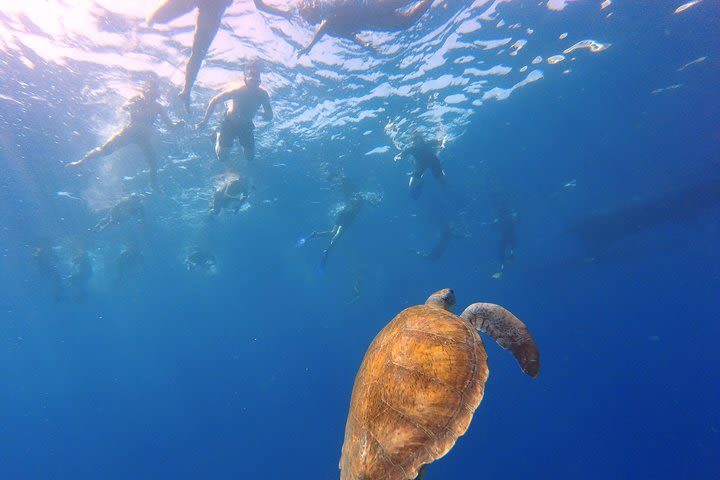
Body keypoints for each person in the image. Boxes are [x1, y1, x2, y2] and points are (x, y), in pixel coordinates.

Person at [67, 81, 183, 192]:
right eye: (150, 92)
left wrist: (177, 124)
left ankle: (153, 185)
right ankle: (81, 162)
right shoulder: (136, 99)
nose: (152, 95)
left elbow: (169, 124)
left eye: (155, 94)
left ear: (157, 94)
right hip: (128, 132)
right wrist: (131, 105)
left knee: (153, 162)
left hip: (144, 138)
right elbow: (124, 107)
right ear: (145, 91)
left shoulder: (158, 107)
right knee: (104, 150)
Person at [254, 0, 433, 56]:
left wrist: (309, 46)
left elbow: (321, 29)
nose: (307, 22)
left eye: (306, 16)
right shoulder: (330, 26)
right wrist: (365, 45)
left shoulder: (328, 11)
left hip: (372, 5)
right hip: (373, 21)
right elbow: (350, 35)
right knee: (406, 23)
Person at [146, 0, 233, 109]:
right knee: (156, 17)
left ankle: (186, 92)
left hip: (214, 8)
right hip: (215, 8)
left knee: (198, 53)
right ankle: (186, 91)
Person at [195, 65, 273, 167]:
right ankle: (219, 133)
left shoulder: (263, 94)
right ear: (245, 80)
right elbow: (214, 100)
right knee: (222, 157)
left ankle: (237, 141)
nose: (254, 85)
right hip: (230, 124)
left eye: (257, 81)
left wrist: (265, 116)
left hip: (246, 126)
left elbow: (269, 114)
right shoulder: (238, 91)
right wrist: (205, 121)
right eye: (252, 81)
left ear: (260, 81)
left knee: (250, 157)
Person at [396, 132, 446, 199]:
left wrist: (443, 144)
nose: (418, 142)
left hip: (433, 161)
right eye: (416, 139)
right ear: (413, 141)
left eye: (419, 139)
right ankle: (419, 186)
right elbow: (402, 154)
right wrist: (398, 157)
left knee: (441, 180)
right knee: (412, 184)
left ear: (422, 139)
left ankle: (444, 185)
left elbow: (441, 141)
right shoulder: (411, 148)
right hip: (421, 165)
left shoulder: (429, 143)